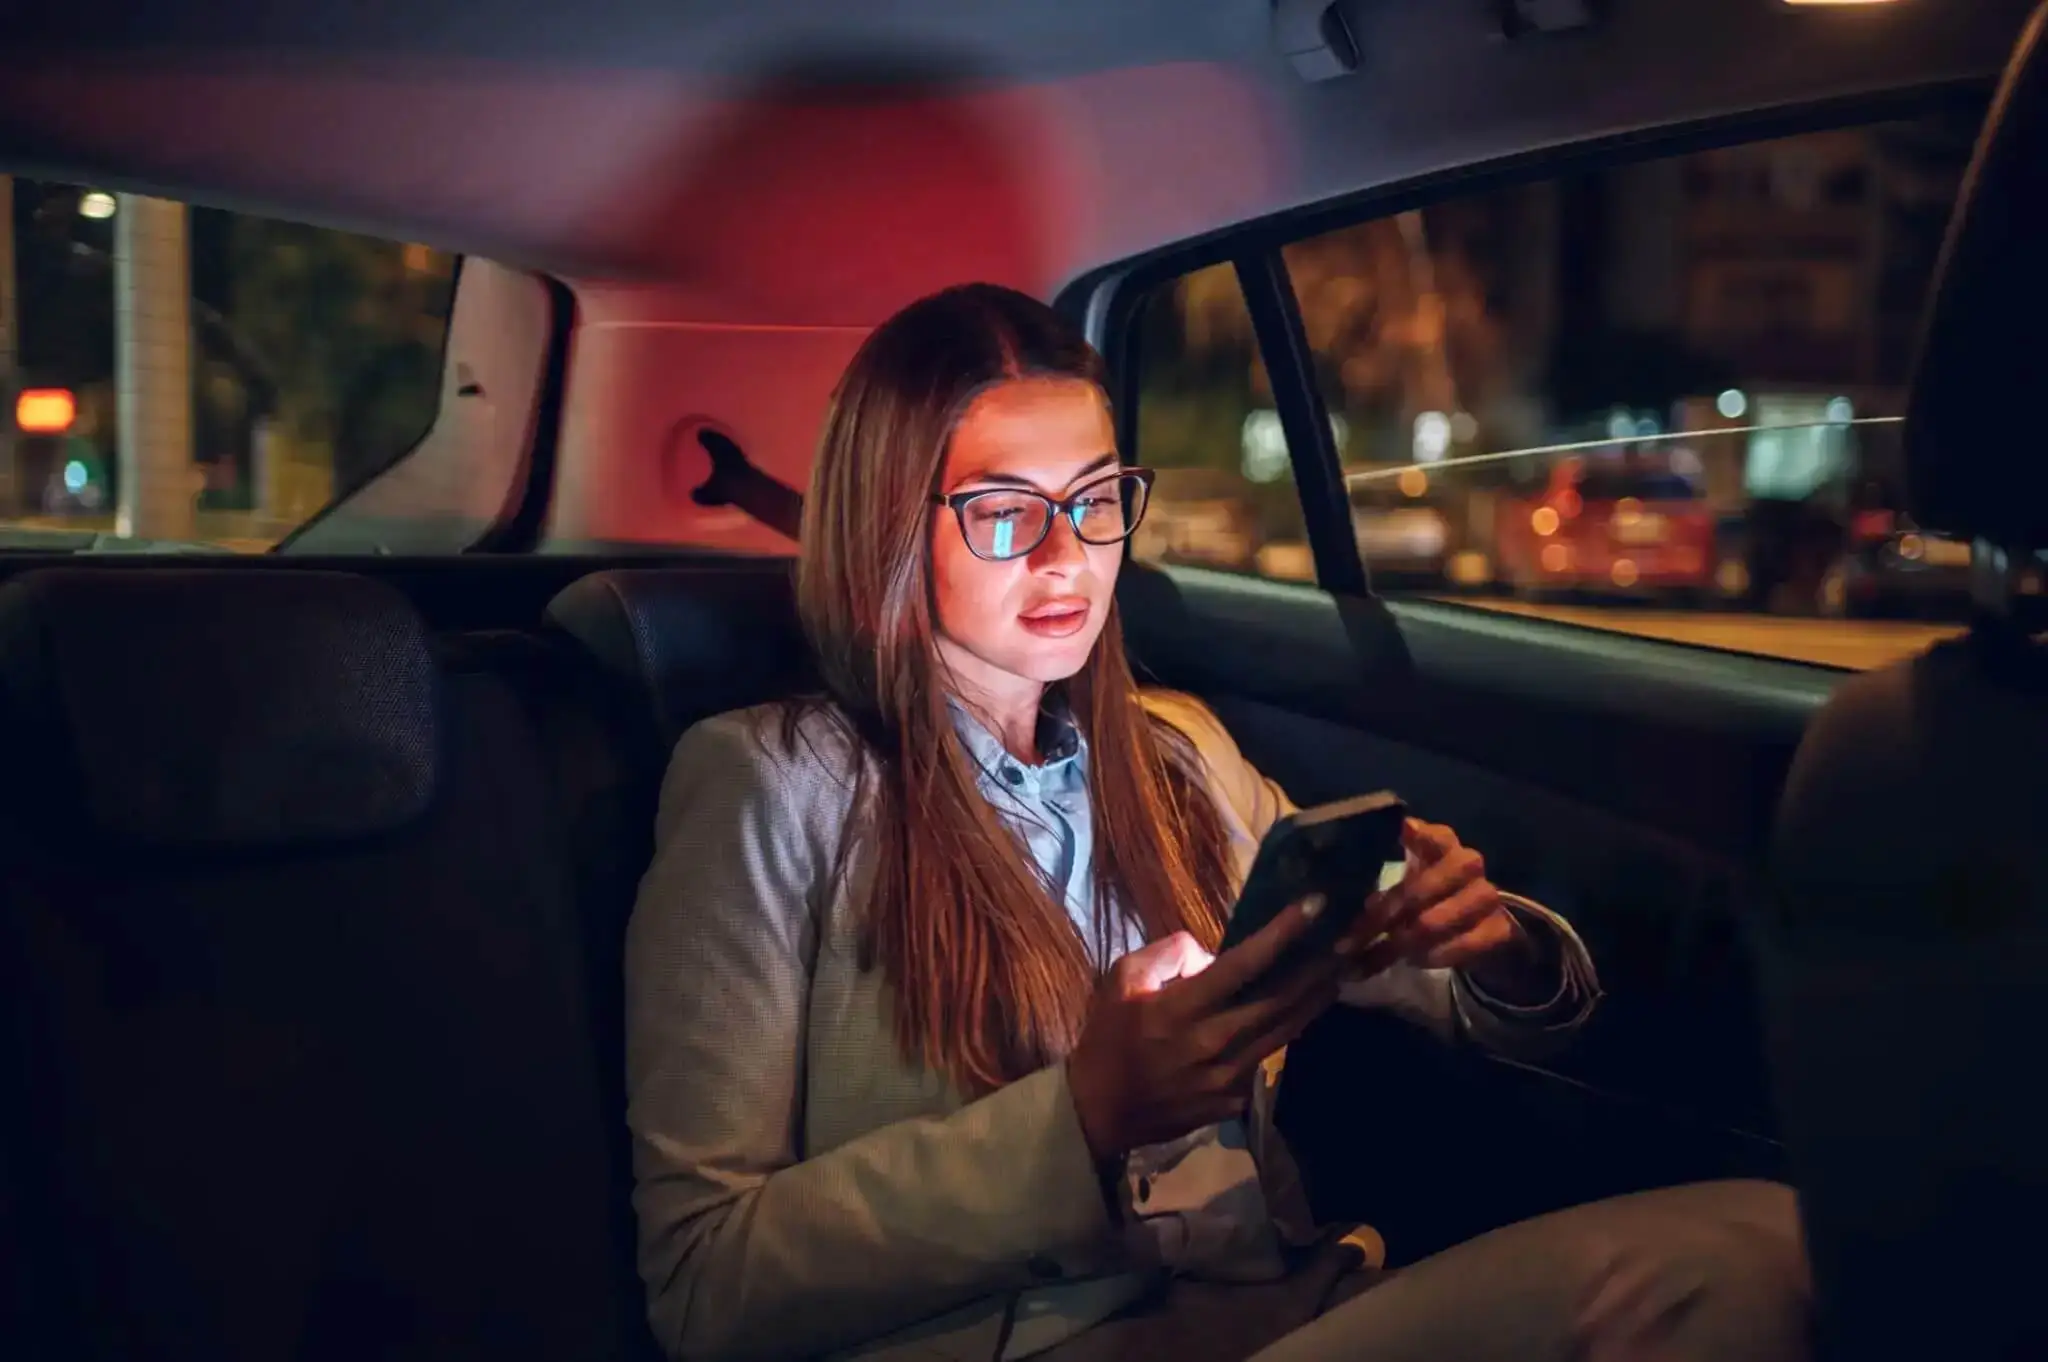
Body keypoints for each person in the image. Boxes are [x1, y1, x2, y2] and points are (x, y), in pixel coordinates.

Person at [625, 282, 1811, 1362]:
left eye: (1096, 500)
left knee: (1759, 1253)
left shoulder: (1173, 755)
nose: (1066, 556)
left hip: (1276, 1311)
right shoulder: (769, 786)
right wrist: (1079, 1123)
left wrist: (1486, 942)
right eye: (1002, 510)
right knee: (1720, 1272)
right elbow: (703, 1284)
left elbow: (1455, 998)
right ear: (889, 520)